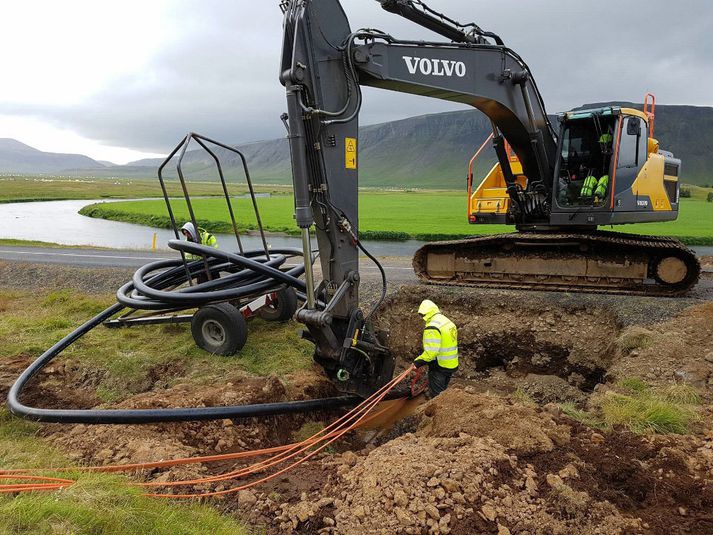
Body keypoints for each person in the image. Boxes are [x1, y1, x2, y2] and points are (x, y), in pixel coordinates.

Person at [413, 299, 458, 397]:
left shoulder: (432, 327)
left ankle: (438, 410)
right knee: (443, 391)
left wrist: (417, 362)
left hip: (439, 366)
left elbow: (431, 353)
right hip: (451, 364)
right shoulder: (446, 321)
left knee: (437, 396)